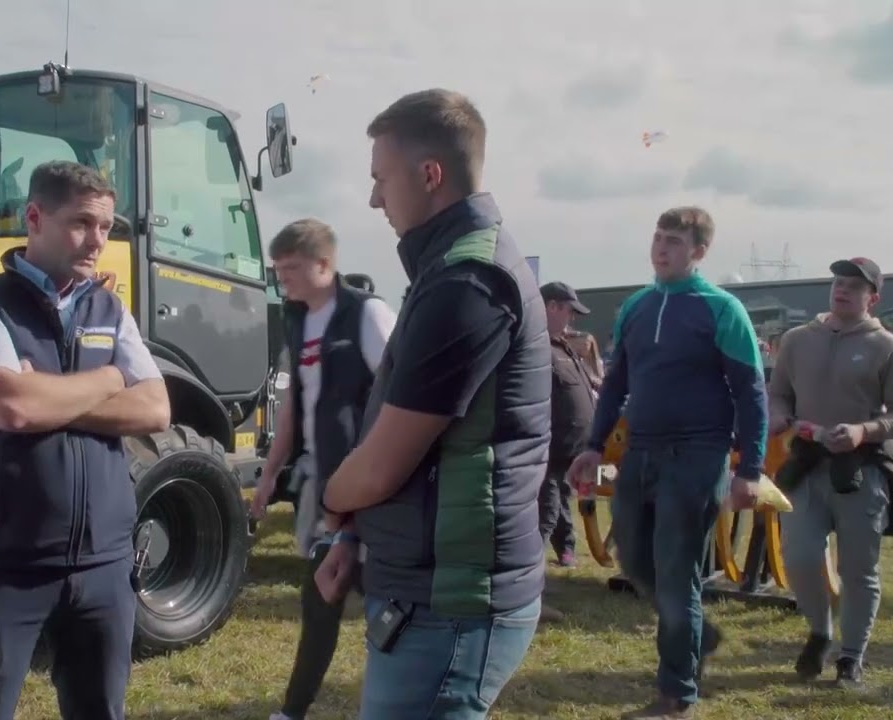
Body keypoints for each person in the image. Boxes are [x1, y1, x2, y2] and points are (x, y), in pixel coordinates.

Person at [315, 89, 550, 720]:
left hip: (449, 607)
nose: (373, 199)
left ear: (429, 175)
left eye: (380, 179)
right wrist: (353, 534)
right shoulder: (451, 269)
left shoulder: (466, 284)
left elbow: (386, 462)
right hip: (432, 590)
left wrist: (333, 501)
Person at [0, 161, 170, 720]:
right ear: (34, 219)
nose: (97, 241)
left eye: (107, 227)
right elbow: (12, 407)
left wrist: (50, 394)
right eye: (82, 223)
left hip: (104, 567)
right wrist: (111, 379)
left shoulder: (108, 309)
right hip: (5, 567)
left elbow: (156, 408)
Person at [567, 206, 767, 719]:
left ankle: (676, 695)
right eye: (658, 237)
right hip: (641, 451)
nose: (662, 247)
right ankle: (699, 635)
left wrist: (749, 470)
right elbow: (615, 383)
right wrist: (593, 445)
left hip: (698, 454)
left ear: (698, 252)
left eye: (674, 241)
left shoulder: (721, 309)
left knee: (677, 574)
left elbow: (751, 391)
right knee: (634, 560)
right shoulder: (636, 306)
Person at [248, 218, 396, 720]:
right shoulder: (297, 316)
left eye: (291, 269)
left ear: (324, 265)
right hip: (325, 487)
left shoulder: (367, 315)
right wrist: (269, 474)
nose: (282, 279)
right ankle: (292, 711)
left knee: (385, 604)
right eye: (278, 270)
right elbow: (294, 404)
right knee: (320, 599)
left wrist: (377, 477)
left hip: (373, 491)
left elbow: (402, 399)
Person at [768, 257, 893, 688]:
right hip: (805, 465)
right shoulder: (796, 340)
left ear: (873, 298)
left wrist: (864, 430)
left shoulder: (889, 348)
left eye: (853, 286)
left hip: (860, 470)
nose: (841, 290)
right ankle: (820, 632)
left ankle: (851, 658)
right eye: (838, 283)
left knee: (859, 569)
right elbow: (779, 396)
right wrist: (781, 417)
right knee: (800, 557)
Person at [540, 281, 596, 573]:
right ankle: (528, 578)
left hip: (569, 450)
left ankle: (566, 550)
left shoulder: (561, 344)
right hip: (548, 448)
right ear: (552, 306)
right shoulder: (534, 345)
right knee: (546, 511)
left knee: (559, 501)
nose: (572, 319)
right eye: (569, 311)